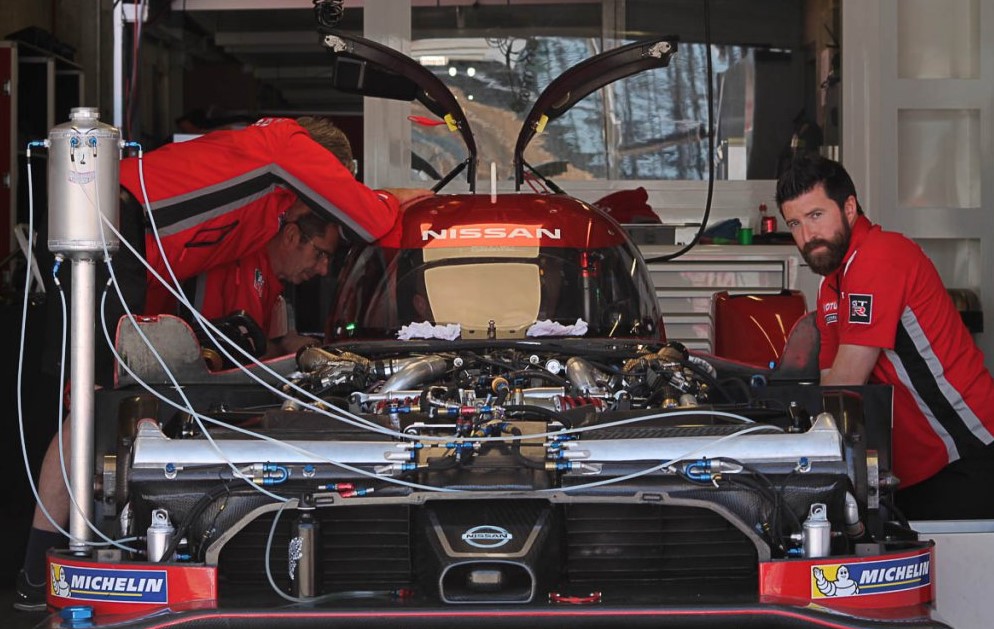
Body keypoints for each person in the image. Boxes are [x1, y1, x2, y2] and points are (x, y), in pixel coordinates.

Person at [16, 116, 433, 610]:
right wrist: (406, 201)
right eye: (331, 183)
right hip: (107, 231)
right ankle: (37, 572)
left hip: (121, 241)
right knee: (90, 412)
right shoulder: (280, 145)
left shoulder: (263, 199)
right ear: (321, 167)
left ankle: (66, 561)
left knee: (101, 410)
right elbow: (377, 221)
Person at [776, 154, 994, 520]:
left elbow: (847, 381)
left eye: (816, 216)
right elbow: (832, 388)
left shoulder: (879, 256)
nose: (806, 236)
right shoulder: (832, 283)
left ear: (848, 208)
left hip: (967, 452)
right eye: (794, 223)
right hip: (912, 469)